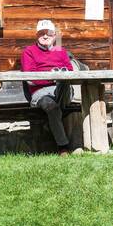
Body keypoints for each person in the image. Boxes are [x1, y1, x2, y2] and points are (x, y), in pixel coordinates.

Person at [20, 19, 74, 152]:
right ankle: (63, 147)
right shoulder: (29, 51)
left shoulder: (61, 51)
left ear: (54, 36)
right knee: (52, 107)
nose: (45, 36)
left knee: (65, 78)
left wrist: (59, 77)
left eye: (49, 33)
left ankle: (53, 125)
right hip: (41, 92)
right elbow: (30, 79)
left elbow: (70, 71)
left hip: (62, 88)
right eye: (41, 33)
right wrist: (51, 76)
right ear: (36, 36)